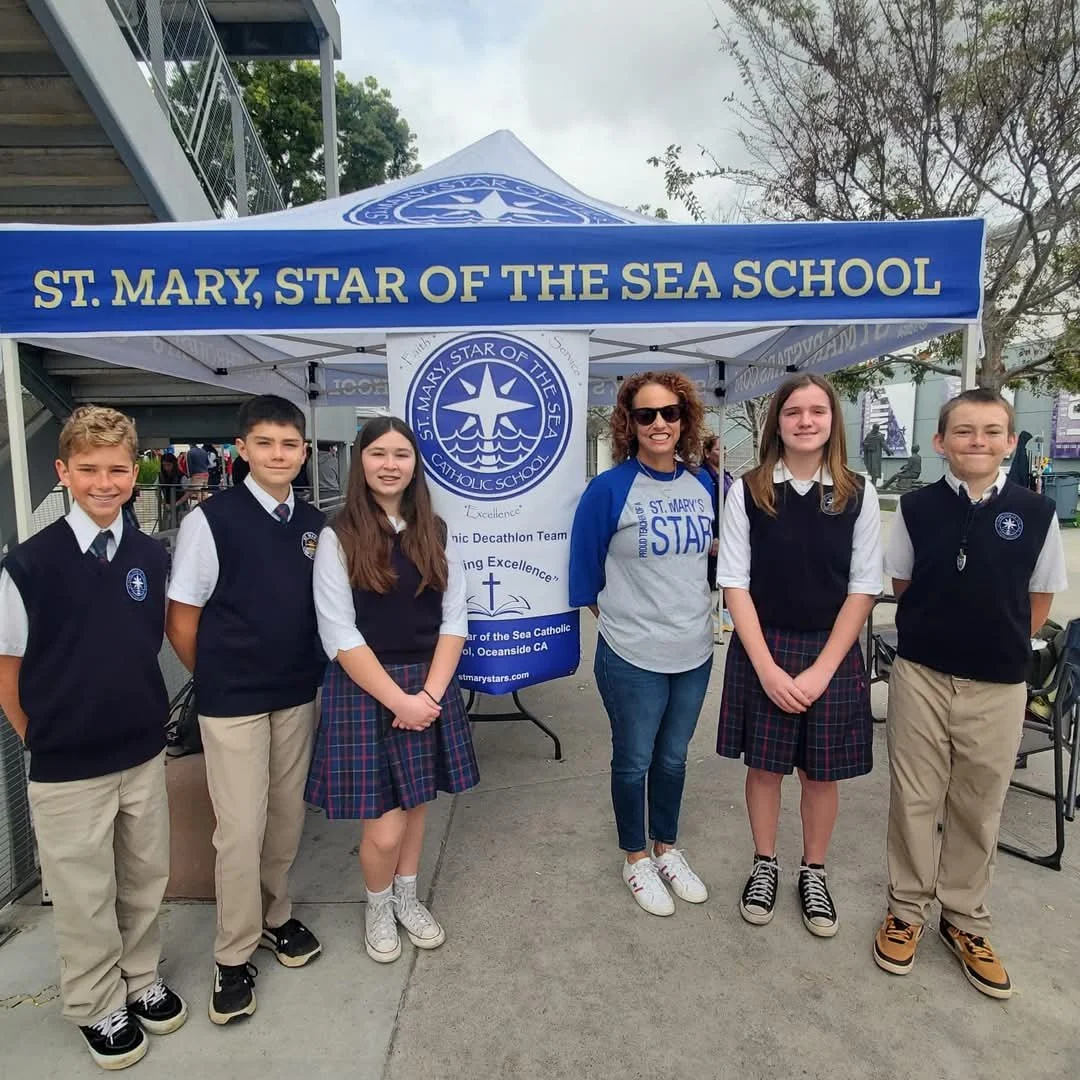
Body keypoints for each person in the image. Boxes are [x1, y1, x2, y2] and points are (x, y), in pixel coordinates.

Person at [0, 406, 186, 1070]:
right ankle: (95, 1001)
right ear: (63, 472)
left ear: (134, 474)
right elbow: (8, 670)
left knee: (144, 877)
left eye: (116, 469)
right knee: (83, 894)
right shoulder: (29, 565)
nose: (104, 482)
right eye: (88, 470)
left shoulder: (145, 555)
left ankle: (139, 978)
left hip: (139, 752)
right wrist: (46, 737)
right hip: (67, 765)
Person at [873, 389, 1067, 999]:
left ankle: (965, 920)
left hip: (999, 682)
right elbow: (904, 581)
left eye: (990, 431)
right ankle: (906, 909)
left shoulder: (1036, 514)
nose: (975, 441)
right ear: (940, 442)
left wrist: (994, 645)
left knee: (979, 803)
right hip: (922, 674)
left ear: (1010, 441)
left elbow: (1040, 598)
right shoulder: (916, 507)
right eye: (962, 431)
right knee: (914, 796)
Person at [166, 395, 325, 1025]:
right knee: (239, 827)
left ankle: (273, 916)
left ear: (304, 452)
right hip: (232, 702)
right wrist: (213, 677)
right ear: (242, 451)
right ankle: (231, 954)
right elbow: (181, 617)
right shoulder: (213, 520)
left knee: (285, 818)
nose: (278, 455)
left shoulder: (316, 524)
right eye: (265, 444)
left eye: (289, 445)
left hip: (295, 692)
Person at [305, 417, 477, 962]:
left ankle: (408, 897)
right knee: (382, 829)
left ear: (414, 464)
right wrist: (400, 700)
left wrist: (428, 697)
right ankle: (377, 905)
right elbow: (338, 632)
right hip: (366, 688)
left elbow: (454, 619)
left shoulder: (437, 532)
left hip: (428, 685)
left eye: (401, 454)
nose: (390, 464)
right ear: (361, 462)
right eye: (378, 454)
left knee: (418, 804)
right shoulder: (338, 536)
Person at [716, 373, 882, 937]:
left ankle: (814, 870)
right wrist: (765, 667)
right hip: (763, 646)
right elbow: (733, 582)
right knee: (764, 768)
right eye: (793, 412)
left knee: (820, 773)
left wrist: (823, 668)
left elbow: (864, 588)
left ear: (833, 420)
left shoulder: (859, 493)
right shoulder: (750, 489)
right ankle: (764, 863)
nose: (805, 421)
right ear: (777, 422)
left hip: (829, 654)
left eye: (817, 411)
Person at [569, 371, 715, 916]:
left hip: (695, 651)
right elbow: (584, 577)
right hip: (632, 656)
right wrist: (631, 619)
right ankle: (635, 859)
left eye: (669, 413)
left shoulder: (705, 484)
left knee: (673, 760)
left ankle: (667, 848)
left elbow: (715, 561)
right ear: (628, 423)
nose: (659, 424)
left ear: (685, 420)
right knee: (633, 762)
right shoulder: (608, 489)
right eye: (646, 415)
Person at [702, 434, 722, 591]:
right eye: (718, 449)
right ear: (707, 453)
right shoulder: (705, 476)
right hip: (714, 535)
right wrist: (714, 534)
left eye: (725, 448)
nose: (724, 452)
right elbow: (709, 507)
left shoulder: (725, 476)